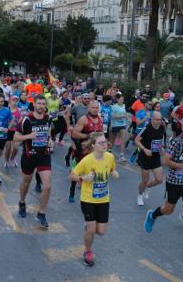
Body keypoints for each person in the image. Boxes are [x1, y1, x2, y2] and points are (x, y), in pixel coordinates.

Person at [143, 117, 183, 257]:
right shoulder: (176, 142)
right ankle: (152, 215)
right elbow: (165, 161)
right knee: (168, 210)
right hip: (174, 182)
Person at [70, 132, 119, 267]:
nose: (104, 145)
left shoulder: (110, 157)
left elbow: (112, 169)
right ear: (93, 146)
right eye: (101, 143)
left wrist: (114, 173)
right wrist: (83, 178)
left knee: (101, 232)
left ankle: (89, 226)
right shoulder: (86, 160)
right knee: (91, 230)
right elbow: (72, 175)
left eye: (105, 142)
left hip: (103, 199)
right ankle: (87, 251)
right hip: (88, 199)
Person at [15, 95, 52, 228]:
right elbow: (15, 137)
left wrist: (50, 140)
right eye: (39, 103)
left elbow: (48, 132)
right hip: (29, 156)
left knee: (47, 186)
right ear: (34, 105)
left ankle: (41, 213)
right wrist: (28, 136)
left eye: (43, 103)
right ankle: (22, 202)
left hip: (44, 155)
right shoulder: (27, 119)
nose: (41, 106)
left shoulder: (48, 118)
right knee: (26, 182)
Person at [135, 111, 166, 206]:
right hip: (145, 156)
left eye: (160, 120)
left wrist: (162, 147)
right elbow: (136, 140)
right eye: (156, 120)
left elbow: (162, 139)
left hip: (156, 156)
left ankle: (147, 187)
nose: (158, 122)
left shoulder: (162, 127)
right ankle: (140, 195)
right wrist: (144, 149)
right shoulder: (147, 128)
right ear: (152, 119)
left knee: (159, 179)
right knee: (144, 180)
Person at [109, 93, 129, 161]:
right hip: (115, 125)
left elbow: (125, 113)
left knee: (123, 140)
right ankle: (109, 151)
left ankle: (121, 155)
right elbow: (113, 116)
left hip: (122, 125)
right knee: (112, 140)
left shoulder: (123, 105)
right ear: (117, 100)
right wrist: (122, 116)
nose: (122, 101)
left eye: (123, 99)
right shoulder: (114, 107)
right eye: (120, 99)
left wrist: (126, 116)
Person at [4, 94, 21, 168]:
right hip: (8, 130)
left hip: (16, 131)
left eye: (16, 101)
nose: (15, 102)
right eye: (13, 100)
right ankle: (7, 161)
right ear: (10, 101)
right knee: (8, 148)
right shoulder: (6, 110)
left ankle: (13, 158)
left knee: (16, 148)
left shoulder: (19, 110)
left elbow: (21, 120)